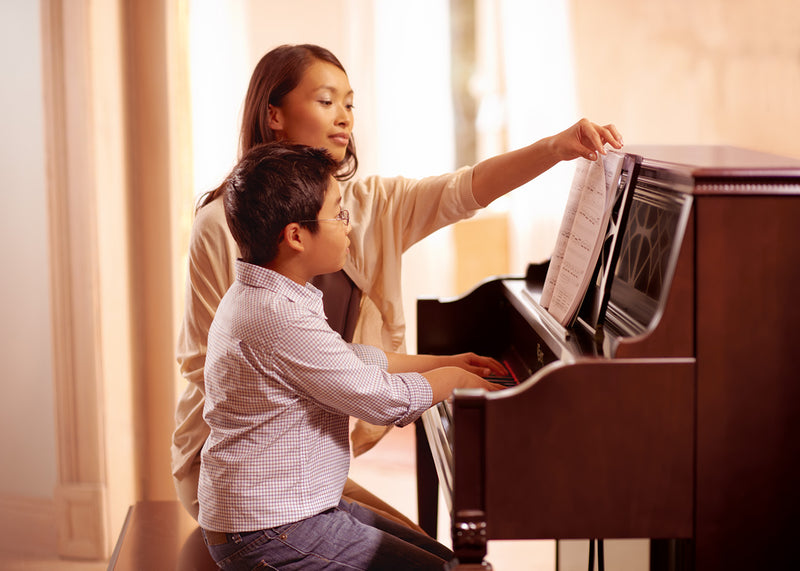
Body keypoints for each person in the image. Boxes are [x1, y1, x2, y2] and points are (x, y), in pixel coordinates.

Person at [173, 43, 623, 527]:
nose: (344, 117)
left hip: (310, 461)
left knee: (419, 545)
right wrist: (395, 386)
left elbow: (465, 188)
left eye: (350, 103)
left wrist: (555, 148)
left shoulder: (368, 206)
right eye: (326, 101)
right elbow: (204, 363)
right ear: (273, 115)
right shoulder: (221, 223)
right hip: (239, 470)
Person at [199, 141, 504, 569]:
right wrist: (456, 383)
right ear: (296, 236)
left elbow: (347, 359)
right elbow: (382, 400)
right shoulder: (273, 314)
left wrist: (445, 363)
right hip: (268, 531)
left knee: (453, 560)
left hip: (292, 509)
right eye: (338, 213)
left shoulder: (271, 290)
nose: (349, 226)